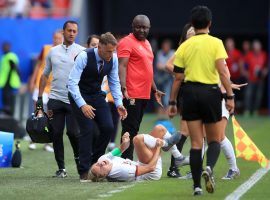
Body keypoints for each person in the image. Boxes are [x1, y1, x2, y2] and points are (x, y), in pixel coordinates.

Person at [168, 6, 234, 195]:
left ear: (193, 25)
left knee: (196, 144)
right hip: (210, 93)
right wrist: (229, 97)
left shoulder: (184, 46)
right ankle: (210, 168)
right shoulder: (216, 43)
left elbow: (178, 78)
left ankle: (196, 186)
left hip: (189, 94)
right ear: (209, 23)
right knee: (214, 140)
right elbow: (222, 72)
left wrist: (172, 103)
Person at [68, 32, 127, 182]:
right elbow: (72, 84)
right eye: (108, 51)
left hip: (97, 95)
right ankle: (84, 171)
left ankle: (96, 163)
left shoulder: (112, 58)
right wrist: (83, 105)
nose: (111, 54)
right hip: (79, 95)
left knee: (108, 127)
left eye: (113, 51)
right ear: (99, 47)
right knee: (87, 129)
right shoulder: (84, 56)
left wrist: (119, 103)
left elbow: (114, 82)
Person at [36, 20, 85, 178]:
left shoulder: (82, 52)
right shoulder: (52, 52)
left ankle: (79, 160)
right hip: (54, 100)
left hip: (73, 100)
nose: (71, 33)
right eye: (69, 30)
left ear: (77, 33)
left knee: (73, 133)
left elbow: (88, 76)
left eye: (74, 31)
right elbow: (44, 75)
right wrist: (39, 97)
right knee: (55, 133)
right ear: (63, 32)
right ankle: (61, 168)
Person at [118, 14, 165, 160]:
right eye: (138, 27)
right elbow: (122, 66)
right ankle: (126, 162)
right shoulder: (126, 42)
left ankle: (126, 161)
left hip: (144, 94)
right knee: (129, 129)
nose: (141, 30)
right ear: (133, 27)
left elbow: (147, 70)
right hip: (131, 93)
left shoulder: (147, 44)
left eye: (144, 27)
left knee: (134, 129)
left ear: (149, 28)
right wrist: (124, 88)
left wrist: (155, 89)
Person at [88, 125, 181, 182]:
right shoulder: (119, 172)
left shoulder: (102, 159)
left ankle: (177, 156)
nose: (100, 163)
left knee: (159, 129)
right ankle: (166, 144)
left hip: (142, 163)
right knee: (137, 139)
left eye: (97, 164)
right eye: (100, 167)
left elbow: (121, 149)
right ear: (104, 175)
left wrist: (125, 142)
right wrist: (158, 147)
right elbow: (150, 168)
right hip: (152, 172)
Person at [28, 30, 63, 152]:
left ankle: (48, 143)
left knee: (50, 115)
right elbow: (38, 66)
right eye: (55, 37)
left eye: (59, 38)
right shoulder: (46, 48)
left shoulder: (64, 52)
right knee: (38, 113)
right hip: (40, 85)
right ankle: (33, 140)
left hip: (53, 88)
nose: (56, 40)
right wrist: (32, 81)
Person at [0, 42, 21, 116]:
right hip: (5, 81)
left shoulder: (10, 56)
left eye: (5, 47)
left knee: (8, 96)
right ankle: (6, 110)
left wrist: (19, 78)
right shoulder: (5, 56)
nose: (3, 48)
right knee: (6, 96)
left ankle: (8, 111)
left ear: (9, 47)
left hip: (9, 81)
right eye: (3, 46)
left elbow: (15, 68)